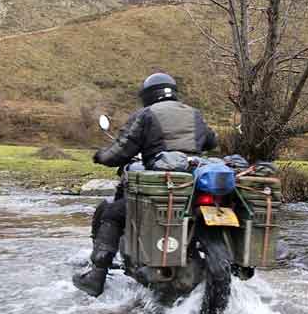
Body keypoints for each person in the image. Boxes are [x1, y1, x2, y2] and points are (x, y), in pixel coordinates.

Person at [72, 72, 217, 297]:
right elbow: (211, 140)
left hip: (162, 184)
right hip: (194, 181)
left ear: (148, 95)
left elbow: (123, 149)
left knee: (113, 213)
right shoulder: (194, 114)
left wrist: (102, 156)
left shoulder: (147, 114)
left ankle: (96, 276)